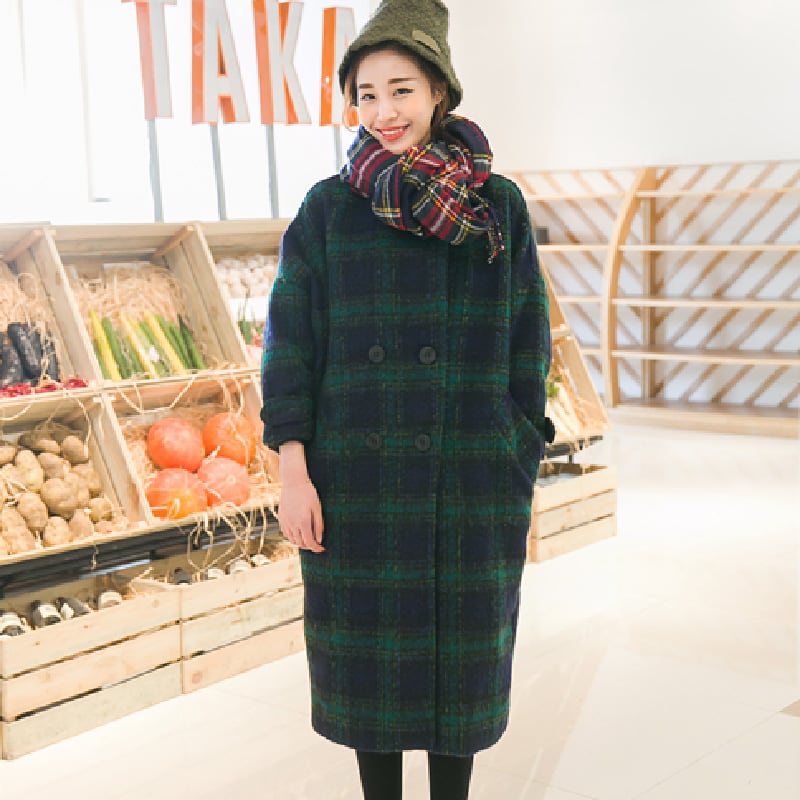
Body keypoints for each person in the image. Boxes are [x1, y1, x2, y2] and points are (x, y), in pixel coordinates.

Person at [260, 0, 553, 797]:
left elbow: (529, 338)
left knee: (461, 681)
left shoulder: (495, 206)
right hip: (358, 485)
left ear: (438, 94)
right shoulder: (328, 210)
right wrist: (294, 471)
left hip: (470, 477)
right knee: (372, 685)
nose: (384, 111)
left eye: (401, 90)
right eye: (366, 94)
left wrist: (519, 446)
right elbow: (289, 347)